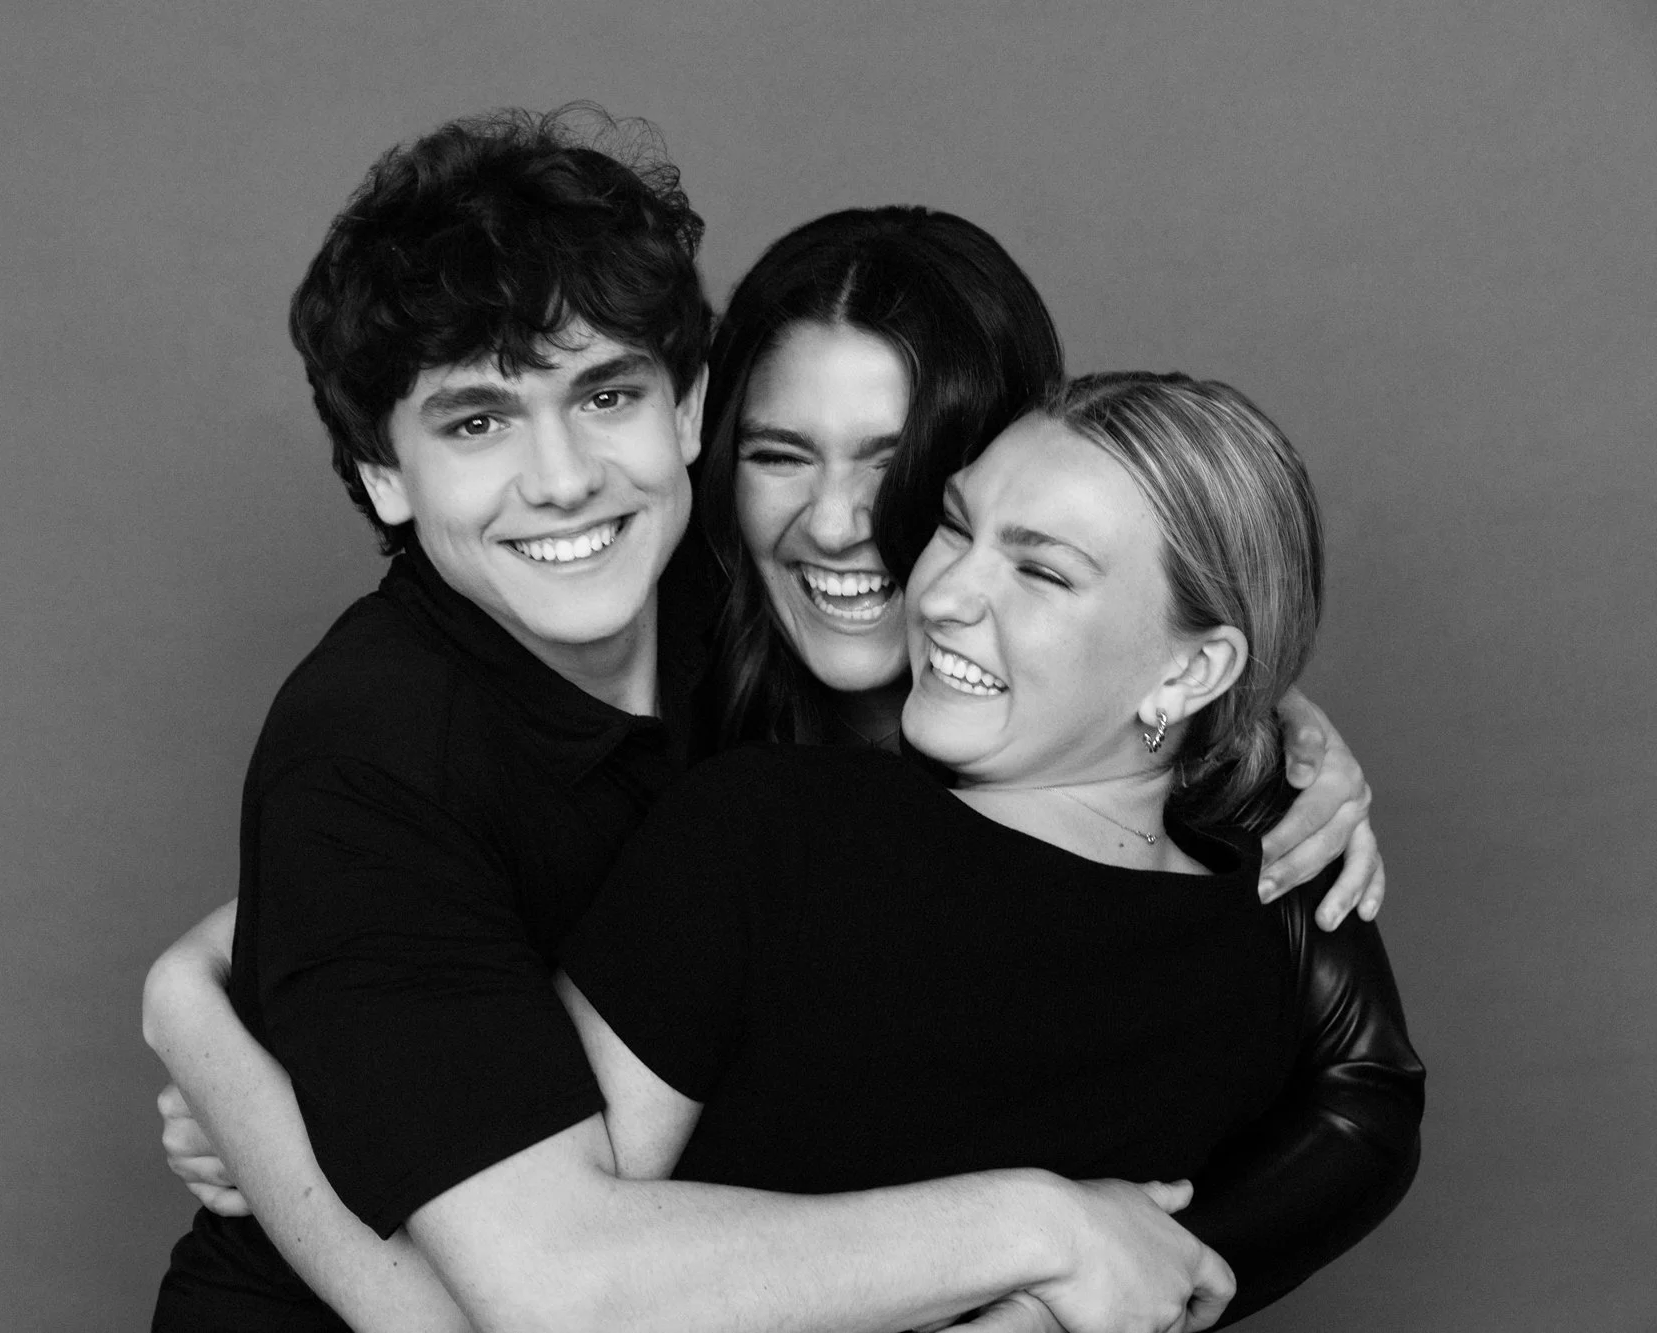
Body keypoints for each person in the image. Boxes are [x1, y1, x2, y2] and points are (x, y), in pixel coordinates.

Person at [148, 113, 1399, 1331]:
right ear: (384, 475)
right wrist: (210, 1032)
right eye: (476, 422)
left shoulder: (717, 590)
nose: (564, 479)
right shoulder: (383, 751)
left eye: (602, 398)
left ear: (681, 413)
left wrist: (1257, 712)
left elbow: (1356, 1094)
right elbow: (538, 1292)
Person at [558, 373, 1424, 1330]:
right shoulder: (1267, 962)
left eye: (1044, 572)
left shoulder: (765, 829)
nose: (943, 595)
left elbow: (542, 1269)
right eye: (956, 526)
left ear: (1191, 668)